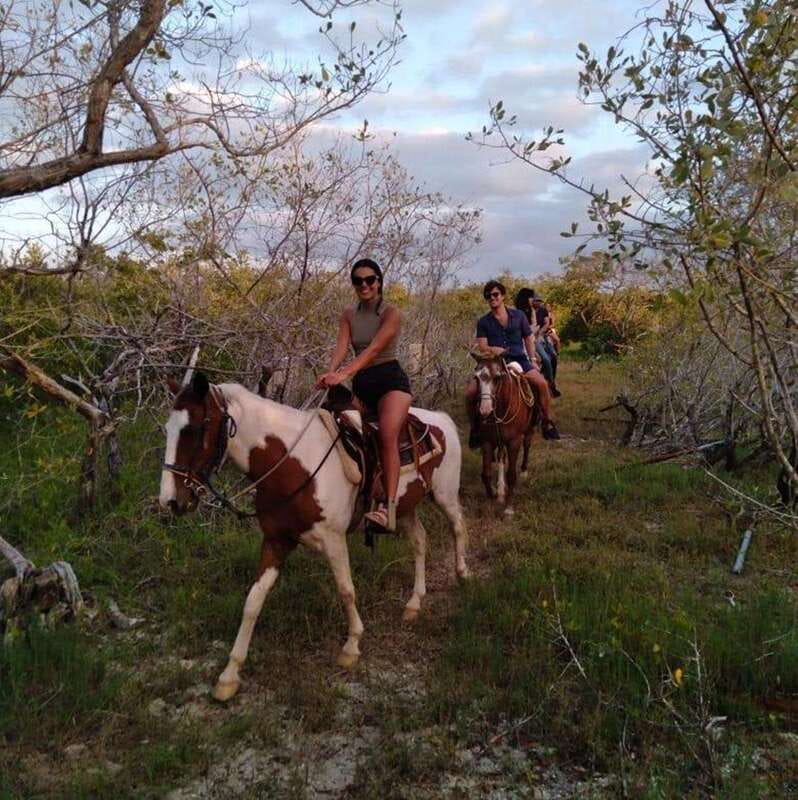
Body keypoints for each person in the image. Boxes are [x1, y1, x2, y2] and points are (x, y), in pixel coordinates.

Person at [316, 258, 411, 532]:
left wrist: (343, 374)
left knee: (387, 434)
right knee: (333, 422)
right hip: (363, 384)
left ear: (379, 282)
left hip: (390, 382)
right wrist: (329, 372)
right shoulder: (348, 314)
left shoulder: (391, 313)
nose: (364, 285)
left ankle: (389, 509)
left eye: (370, 280)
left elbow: (373, 350)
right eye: (358, 281)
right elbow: (342, 347)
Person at [465, 280, 560, 448]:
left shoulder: (519, 316)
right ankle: (475, 430)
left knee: (542, 384)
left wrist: (532, 359)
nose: (492, 298)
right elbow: (483, 346)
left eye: (495, 294)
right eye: (488, 296)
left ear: (503, 296)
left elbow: (528, 338)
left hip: (519, 359)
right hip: (494, 363)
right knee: (470, 393)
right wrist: (495, 349)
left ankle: (546, 421)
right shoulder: (483, 321)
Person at [514, 288, 561, 397]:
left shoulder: (533, 311)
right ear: (526, 299)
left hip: (535, 338)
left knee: (551, 357)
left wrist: (538, 333)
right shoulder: (518, 313)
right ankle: (549, 385)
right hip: (526, 341)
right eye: (532, 298)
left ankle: (551, 383)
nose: (534, 300)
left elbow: (538, 325)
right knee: (545, 359)